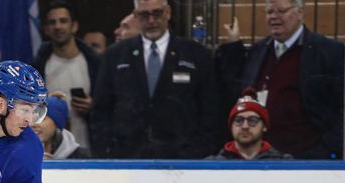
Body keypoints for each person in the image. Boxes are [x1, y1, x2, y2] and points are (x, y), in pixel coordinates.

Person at [215, 1, 344, 159]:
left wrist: (328, 148)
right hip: (263, 157)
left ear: (300, 13)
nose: (274, 17)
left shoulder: (330, 52)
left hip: (309, 158)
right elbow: (236, 89)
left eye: (281, 11)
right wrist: (233, 47)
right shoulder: (258, 50)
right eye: (269, 12)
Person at [91, 0, 219, 159]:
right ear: (136, 15)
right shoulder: (115, 55)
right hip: (127, 159)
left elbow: (210, 112)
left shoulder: (196, 54)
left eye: (157, 13)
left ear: (168, 12)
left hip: (183, 160)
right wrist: (108, 152)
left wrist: (197, 153)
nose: (151, 21)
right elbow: (101, 111)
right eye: (145, 15)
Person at [32, 1, 100, 152]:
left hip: (90, 148)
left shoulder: (95, 64)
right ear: (45, 29)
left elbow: (110, 107)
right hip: (50, 152)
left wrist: (93, 106)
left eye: (63, 21)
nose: (58, 26)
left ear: (74, 26)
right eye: (52, 22)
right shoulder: (37, 68)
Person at [209, 89, 292, 160]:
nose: (245, 126)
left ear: (265, 126)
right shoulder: (210, 165)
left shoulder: (284, 163)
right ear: (231, 126)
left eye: (252, 120)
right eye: (238, 120)